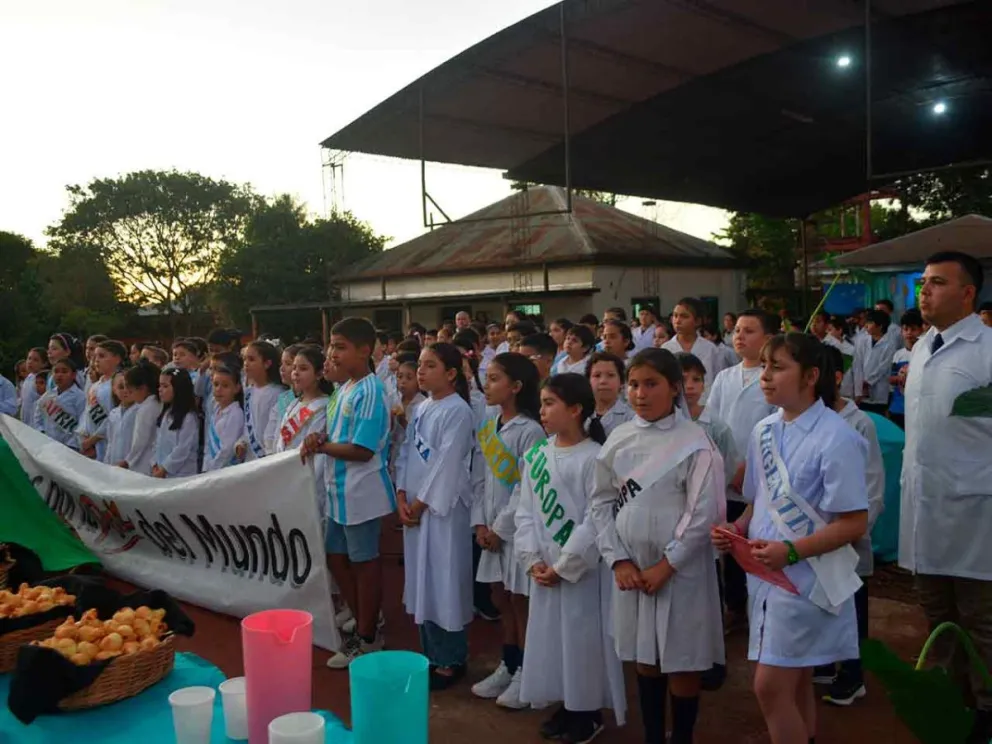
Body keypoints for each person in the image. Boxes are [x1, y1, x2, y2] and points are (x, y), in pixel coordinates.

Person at [712, 332, 868, 744]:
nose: (765, 376)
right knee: (794, 680)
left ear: (811, 376)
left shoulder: (838, 437)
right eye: (764, 366)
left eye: (778, 367)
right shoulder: (763, 429)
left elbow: (854, 523)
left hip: (808, 579)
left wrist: (793, 550)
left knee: (770, 686)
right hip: (764, 573)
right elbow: (758, 501)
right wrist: (738, 528)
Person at [591, 348, 725, 744]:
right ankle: (653, 736)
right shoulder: (618, 438)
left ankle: (681, 737)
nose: (639, 394)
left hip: (680, 572)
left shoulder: (696, 442)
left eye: (651, 384)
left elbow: (704, 511)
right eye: (633, 384)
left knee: (682, 660)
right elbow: (599, 501)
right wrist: (617, 561)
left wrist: (668, 564)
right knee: (645, 658)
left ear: (675, 388)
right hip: (632, 571)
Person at [899, 251, 992, 744]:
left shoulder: (988, 350)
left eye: (936, 283)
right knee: (938, 617)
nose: (924, 291)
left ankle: (988, 710)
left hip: (977, 511)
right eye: (922, 282)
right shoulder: (920, 348)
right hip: (925, 509)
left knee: (982, 621)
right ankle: (956, 703)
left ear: (968, 293)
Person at [514, 373, 627, 742]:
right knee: (552, 640)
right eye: (542, 403)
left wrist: (564, 566)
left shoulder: (596, 457)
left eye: (550, 404)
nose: (542, 411)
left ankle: (587, 713)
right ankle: (566, 703)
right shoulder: (537, 455)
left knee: (582, 642)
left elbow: (596, 519)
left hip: (582, 571)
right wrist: (532, 559)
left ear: (576, 409)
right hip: (544, 566)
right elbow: (526, 511)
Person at [302, 317, 394, 667]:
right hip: (338, 492)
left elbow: (362, 449)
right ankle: (366, 620)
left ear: (364, 351)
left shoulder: (370, 390)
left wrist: (322, 448)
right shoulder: (344, 390)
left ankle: (369, 638)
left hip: (361, 494)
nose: (332, 354)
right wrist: (319, 438)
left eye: (340, 347)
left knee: (364, 563)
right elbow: (336, 434)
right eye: (331, 346)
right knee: (336, 557)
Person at [396, 343, 476, 689]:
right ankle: (430, 654)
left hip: (442, 511)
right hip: (414, 509)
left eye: (430, 366)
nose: (421, 372)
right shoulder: (423, 407)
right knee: (421, 581)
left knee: (443, 581)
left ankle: (451, 658)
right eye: (421, 366)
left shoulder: (457, 411)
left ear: (451, 373)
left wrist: (419, 504)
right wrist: (401, 493)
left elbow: (446, 463)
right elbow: (405, 452)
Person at [471, 352, 545, 707]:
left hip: (517, 531)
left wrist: (499, 528)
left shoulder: (530, 431)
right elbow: (479, 479)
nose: (488, 384)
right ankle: (509, 662)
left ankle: (527, 673)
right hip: (490, 530)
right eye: (488, 377)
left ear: (516, 386)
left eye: (496, 378)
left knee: (520, 601)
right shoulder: (489, 425)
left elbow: (526, 487)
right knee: (501, 597)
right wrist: (480, 523)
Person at [812, 345, 885, 706]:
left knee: (851, 608)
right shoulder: (801, 419)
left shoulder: (859, 423)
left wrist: (852, 529)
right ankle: (824, 663)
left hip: (847, 541)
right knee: (820, 602)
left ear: (835, 378)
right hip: (813, 539)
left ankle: (853, 675)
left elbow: (872, 487)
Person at [705, 309, 779, 631]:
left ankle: (762, 605)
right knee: (732, 540)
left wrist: (749, 465)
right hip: (727, 472)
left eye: (749, 331)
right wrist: (726, 464)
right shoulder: (724, 377)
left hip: (761, 471)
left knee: (758, 538)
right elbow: (714, 424)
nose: (739, 336)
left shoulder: (773, 377)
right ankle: (735, 606)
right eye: (736, 330)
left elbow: (776, 427)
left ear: (767, 338)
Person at [663, 297, 723, 398]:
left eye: (684, 316)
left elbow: (718, 380)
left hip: (705, 404)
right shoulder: (665, 349)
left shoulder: (710, 348)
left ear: (697, 321)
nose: (677, 320)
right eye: (675, 316)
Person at [78, 340, 126, 461]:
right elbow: (87, 412)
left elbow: (115, 416)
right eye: (95, 357)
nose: (96, 361)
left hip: (109, 443)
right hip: (92, 445)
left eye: (102, 356)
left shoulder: (119, 384)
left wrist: (93, 439)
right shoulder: (95, 386)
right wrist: (84, 436)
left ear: (117, 359)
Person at [237, 340, 284, 461]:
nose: (246, 364)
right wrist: (242, 442)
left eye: (251, 359)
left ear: (267, 363)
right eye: (245, 359)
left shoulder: (277, 393)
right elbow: (247, 426)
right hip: (250, 458)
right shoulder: (248, 392)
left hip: (268, 457)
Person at [152, 367, 199, 478]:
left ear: (179, 388)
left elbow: (182, 449)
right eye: (160, 386)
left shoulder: (189, 418)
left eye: (165, 386)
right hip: (161, 472)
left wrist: (165, 469)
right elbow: (157, 442)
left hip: (181, 475)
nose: (160, 390)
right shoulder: (166, 413)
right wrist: (154, 463)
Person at [33, 359, 85, 449]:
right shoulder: (47, 395)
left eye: (64, 372)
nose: (59, 375)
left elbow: (83, 424)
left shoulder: (80, 396)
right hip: (48, 444)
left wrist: (72, 445)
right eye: (56, 372)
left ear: (73, 375)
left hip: (70, 447)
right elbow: (38, 417)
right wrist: (41, 432)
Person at [119, 360, 161, 474]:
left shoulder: (147, 408)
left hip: (145, 462)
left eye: (129, 388)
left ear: (143, 388)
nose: (127, 391)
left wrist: (127, 461)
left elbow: (141, 440)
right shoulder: (155, 404)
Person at [203, 362, 244, 472]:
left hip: (225, 470)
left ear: (236, 388)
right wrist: (205, 467)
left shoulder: (236, 413)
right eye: (216, 384)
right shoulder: (215, 409)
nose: (219, 389)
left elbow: (227, 449)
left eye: (225, 386)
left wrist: (212, 469)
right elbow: (208, 443)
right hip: (210, 468)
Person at [853, 309, 896, 415]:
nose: (866, 326)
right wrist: (859, 387)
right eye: (866, 322)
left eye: (870, 323)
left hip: (880, 389)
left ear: (880, 326)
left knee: (878, 418)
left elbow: (884, 367)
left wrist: (868, 382)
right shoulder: (862, 340)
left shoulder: (890, 344)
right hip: (861, 390)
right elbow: (857, 364)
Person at [887, 309, 923, 429]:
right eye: (905, 329)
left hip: (918, 408)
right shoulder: (898, 355)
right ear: (901, 331)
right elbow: (890, 378)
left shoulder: (924, 353)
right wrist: (899, 378)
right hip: (898, 407)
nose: (909, 333)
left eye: (913, 329)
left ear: (921, 330)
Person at [586, 351, 632, 437]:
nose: (603, 381)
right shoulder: (577, 415)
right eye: (597, 375)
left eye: (610, 375)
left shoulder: (631, 418)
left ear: (621, 382)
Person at [103, 371, 136, 466]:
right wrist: (106, 464)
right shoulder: (113, 414)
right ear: (114, 389)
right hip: (114, 464)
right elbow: (110, 442)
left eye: (129, 386)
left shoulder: (141, 411)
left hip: (133, 466)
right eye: (121, 387)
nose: (126, 390)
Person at [823, 315, 856, 399]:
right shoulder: (825, 345)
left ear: (840, 330)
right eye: (826, 330)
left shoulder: (851, 348)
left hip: (847, 388)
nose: (827, 333)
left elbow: (856, 371)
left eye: (830, 330)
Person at [18, 347, 48, 424]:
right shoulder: (29, 377)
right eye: (29, 358)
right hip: (25, 420)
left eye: (36, 360)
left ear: (44, 364)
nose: (30, 362)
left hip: (36, 423)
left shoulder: (43, 380)